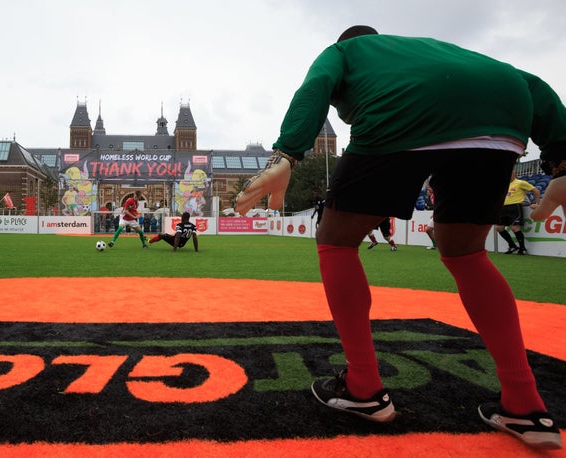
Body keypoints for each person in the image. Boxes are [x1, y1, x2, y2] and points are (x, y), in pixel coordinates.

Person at [235, 25, 564, 449]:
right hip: (502, 115)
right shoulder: (431, 49)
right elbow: (531, 84)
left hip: (406, 112)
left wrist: (288, 153)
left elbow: (316, 84)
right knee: (465, 253)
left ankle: (363, 388)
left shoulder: (347, 50)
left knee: (335, 239)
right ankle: (525, 404)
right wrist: (563, 159)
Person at [493, 169, 541, 254]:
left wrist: (537, 203)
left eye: (511, 173)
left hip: (514, 207)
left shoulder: (520, 182)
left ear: (514, 174)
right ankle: (512, 246)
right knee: (499, 228)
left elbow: (536, 191)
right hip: (502, 208)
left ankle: (522, 248)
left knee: (514, 227)